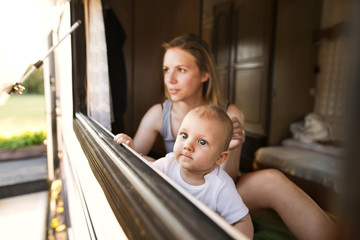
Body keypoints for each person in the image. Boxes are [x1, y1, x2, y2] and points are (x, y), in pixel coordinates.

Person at [114, 34, 337, 240]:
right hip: (179, 183)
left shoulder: (230, 114)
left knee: (272, 179)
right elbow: (137, 162)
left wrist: (232, 147)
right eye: (166, 69)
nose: (170, 79)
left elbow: (228, 177)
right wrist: (130, 147)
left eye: (181, 70)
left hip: (219, 189)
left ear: (204, 74)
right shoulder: (158, 114)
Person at [118, 105, 254, 238]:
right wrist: (129, 149)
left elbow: (242, 221)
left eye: (202, 142)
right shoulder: (169, 163)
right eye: (184, 135)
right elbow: (141, 170)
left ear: (220, 158)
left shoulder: (221, 186)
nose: (188, 145)